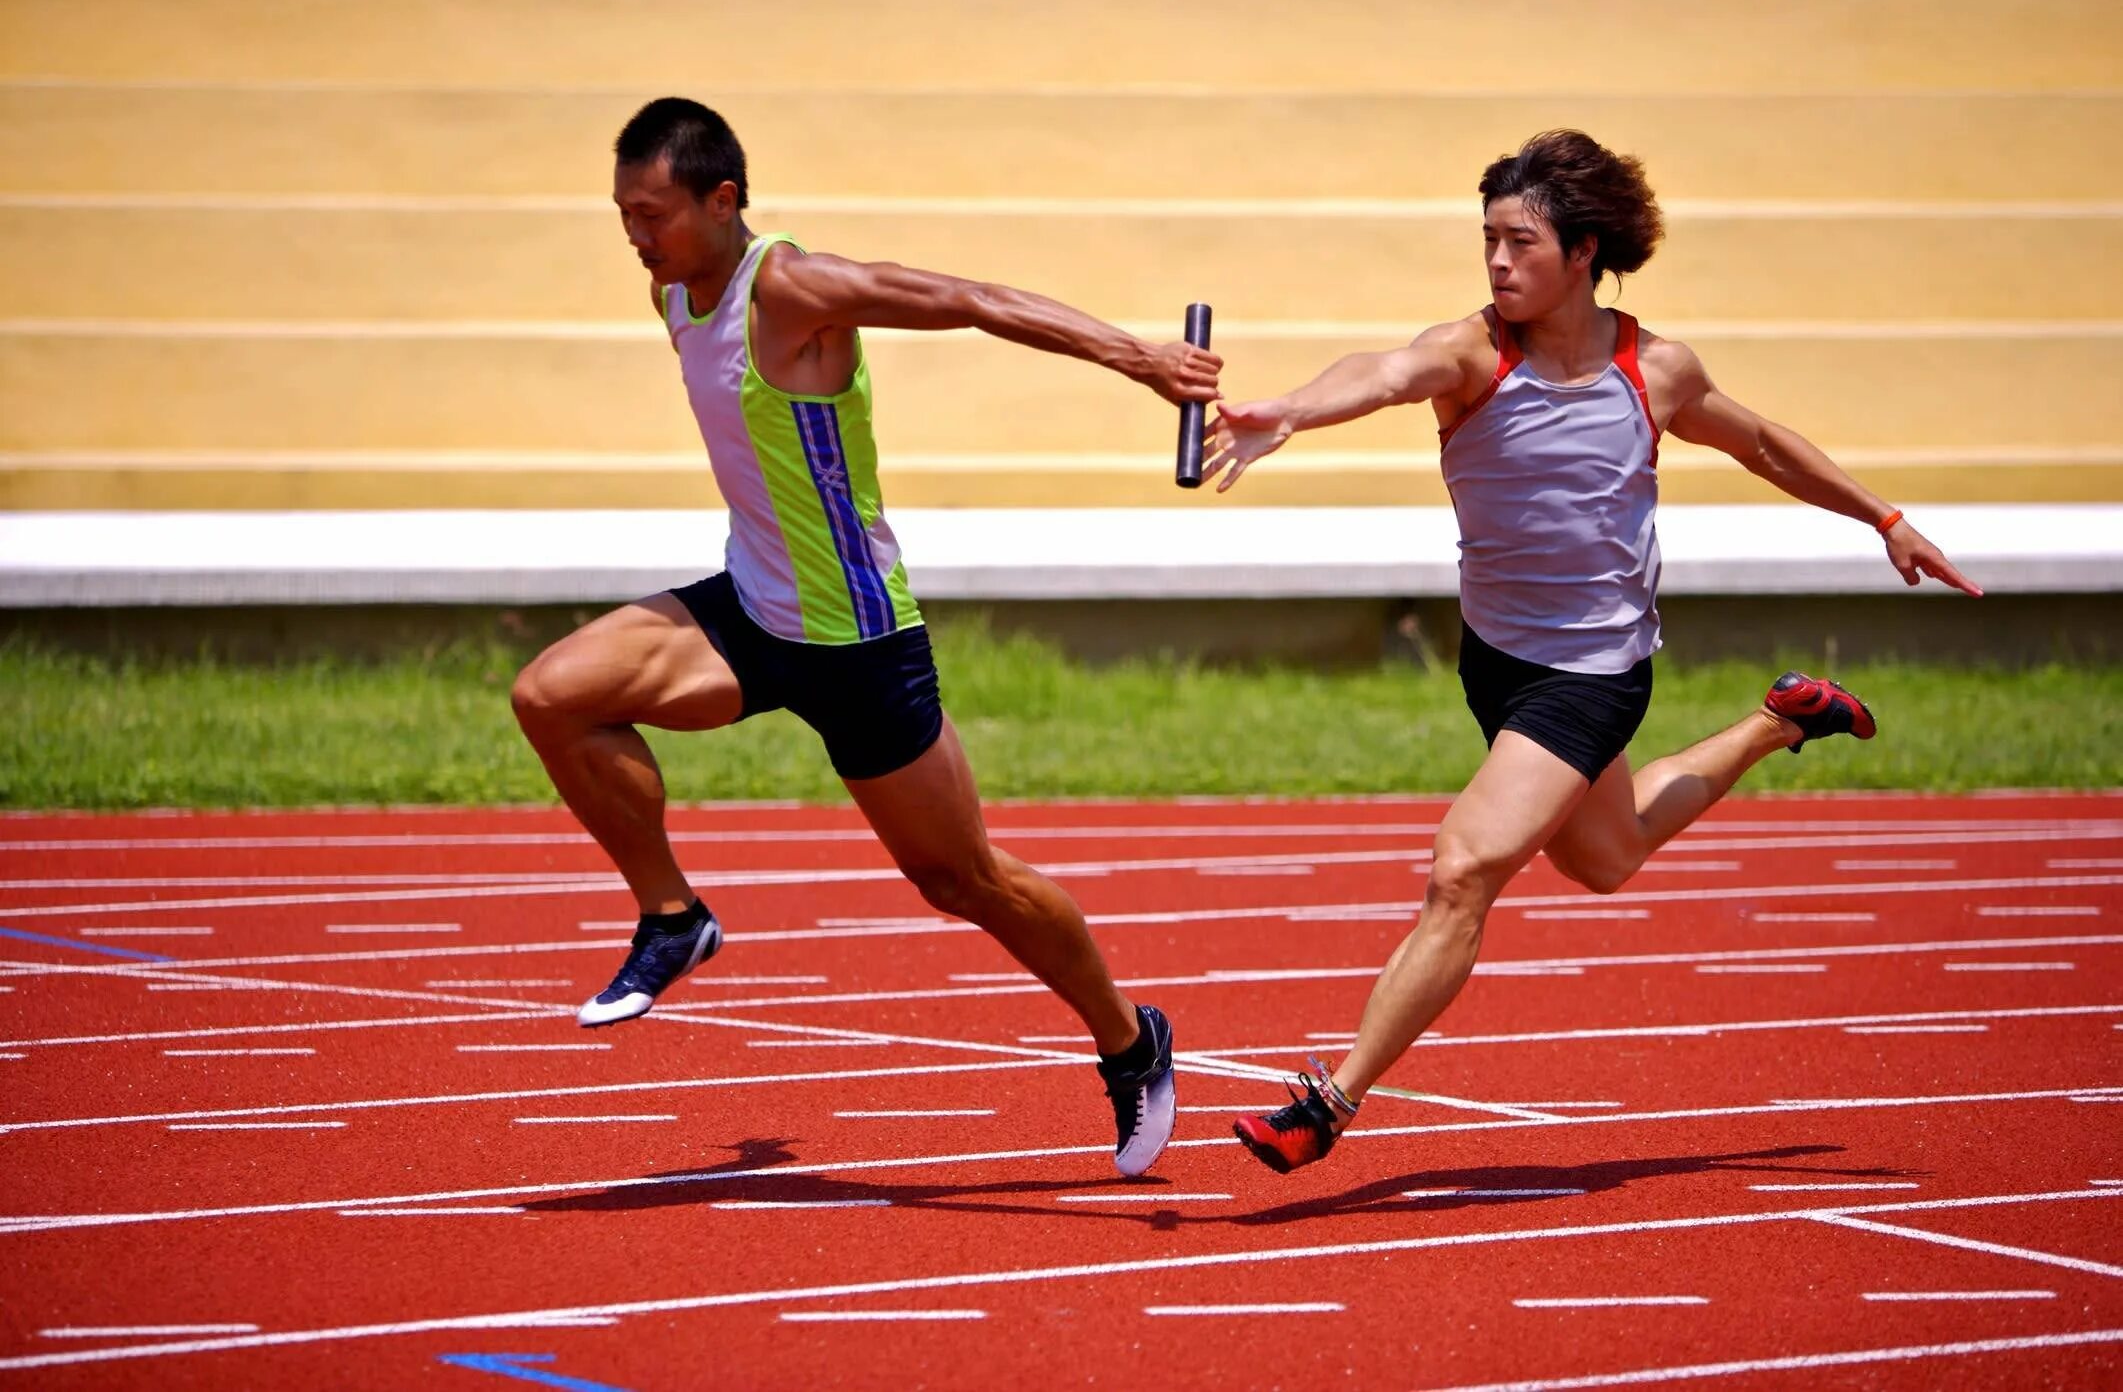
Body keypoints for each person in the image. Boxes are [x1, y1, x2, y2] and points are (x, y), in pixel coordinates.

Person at [1204, 130, 1981, 1173]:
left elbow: (1759, 440)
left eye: (1517, 242)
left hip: (1593, 671)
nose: (1493, 263)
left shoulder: (1651, 369)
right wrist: (1288, 410)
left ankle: (1328, 1100)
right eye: (1484, 239)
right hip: (1495, 660)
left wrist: (1881, 516)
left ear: (1581, 252)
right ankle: (1779, 719)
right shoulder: (1470, 353)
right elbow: (1383, 371)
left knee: (1463, 867)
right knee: (1605, 858)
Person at [510, 97, 1222, 1176]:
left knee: (961, 879)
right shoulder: (668, 287)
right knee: (554, 694)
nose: (634, 236)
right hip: (750, 612)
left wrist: (1136, 359)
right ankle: (672, 915)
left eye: (651, 213)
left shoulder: (792, 288)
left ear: (722, 200)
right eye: (621, 214)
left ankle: (1129, 1038)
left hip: (858, 640)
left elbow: (968, 299)